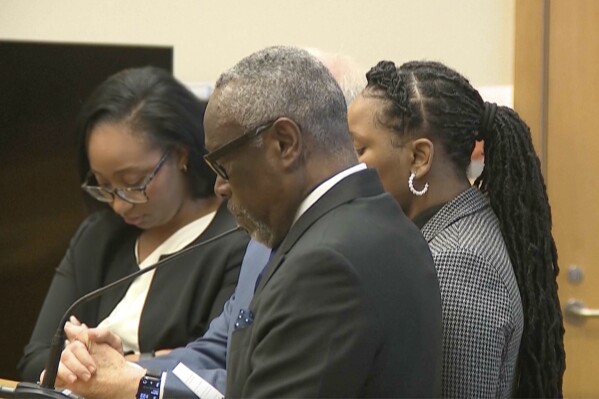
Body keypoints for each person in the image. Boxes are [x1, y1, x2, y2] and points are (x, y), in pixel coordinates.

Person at [51, 46, 443, 399]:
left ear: (284, 143)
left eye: (224, 166)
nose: (220, 187)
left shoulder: (327, 261)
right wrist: (126, 369)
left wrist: (138, 389)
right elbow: (228, 354)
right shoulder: (361, 221)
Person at [347, 60, 565, 397]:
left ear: (419, 158)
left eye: (359, 149)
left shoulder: (458, 263)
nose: (349, 164)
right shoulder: (447, 230)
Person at [18, 66, 249, 383]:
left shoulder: (238, 239)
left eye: (133, 183)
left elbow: (216, 367)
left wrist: (111, 367)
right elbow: (35, 358)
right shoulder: (99, 235)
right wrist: (74, 363)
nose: (119, 203)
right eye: (103, 185)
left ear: (181, 155)